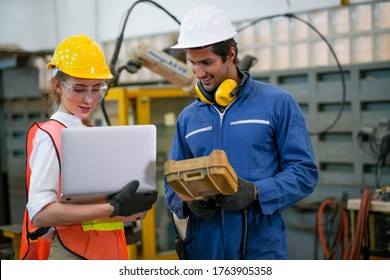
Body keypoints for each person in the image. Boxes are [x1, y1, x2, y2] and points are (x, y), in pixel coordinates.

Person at [164, 5, 318, 260]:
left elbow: (304, 173)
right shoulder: (188, 118)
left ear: (230, 55)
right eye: (192, 63)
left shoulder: (277, 103)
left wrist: (257, 192)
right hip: (204, 249)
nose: (199, 73)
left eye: (207, 62)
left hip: (259, 249)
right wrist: (187, 202)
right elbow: (171, 183)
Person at [20, 34, 158, 260]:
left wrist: (133, 206)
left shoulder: (89, 135)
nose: (89, 99)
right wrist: (110, 208)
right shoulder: (50, 136)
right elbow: (40, 213)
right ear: (58, 85)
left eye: (97, 89)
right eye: (79, 88)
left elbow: (107, 208)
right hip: (73, 254)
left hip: (107, 252)